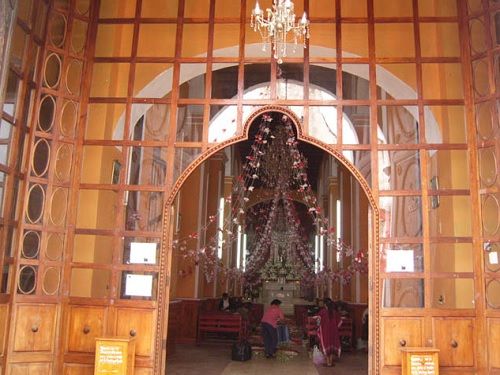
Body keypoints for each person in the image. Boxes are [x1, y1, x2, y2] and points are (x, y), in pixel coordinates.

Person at [318, 298, 341, 367]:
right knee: (332, 344)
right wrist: (335, 328)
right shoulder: (334, 312)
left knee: (326, 344)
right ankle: (330, 362)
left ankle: (328, 362)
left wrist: (318, 327)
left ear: (325, 305)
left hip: (325, 331)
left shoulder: (322, 312)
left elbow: (318, 322)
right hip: (333, 332)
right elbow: (340, 321)